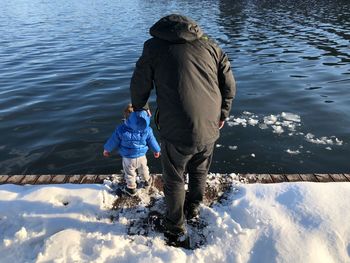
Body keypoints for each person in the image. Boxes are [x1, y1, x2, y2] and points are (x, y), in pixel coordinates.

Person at [130, 14, 236, 247]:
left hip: (175, 128)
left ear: (160, 29)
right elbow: (229, 84)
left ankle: (176, 227)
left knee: (175, 178)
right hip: (209, 124)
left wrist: (140, 107)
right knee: (199, 170)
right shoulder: (211, 45)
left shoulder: (154, 47)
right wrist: (223, 114)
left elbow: (140, 83)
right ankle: (194, 208)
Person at [103, 103, 161, 196]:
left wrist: (107, 150)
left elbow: (113, 141)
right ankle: (146, 181)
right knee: (144, 169)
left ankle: (131, 188)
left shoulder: (121, 129)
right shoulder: (147, 129)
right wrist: (156, 150)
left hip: (128, 158)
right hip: (142, 156)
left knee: (129, 173)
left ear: (126, 118)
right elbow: (152, 141)